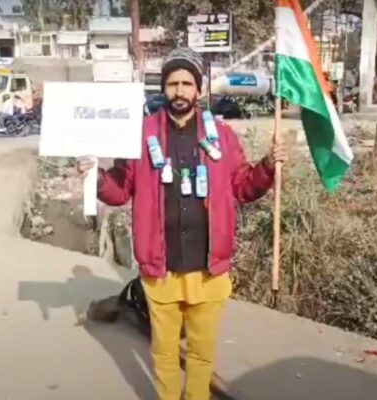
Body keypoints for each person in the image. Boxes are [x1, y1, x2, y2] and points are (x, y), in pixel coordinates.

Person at [76, 47, 287, 400]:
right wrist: (94, 177)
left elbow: (243, 186)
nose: (179, 91)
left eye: (187, 83)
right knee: (164, 353)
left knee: (202, 354)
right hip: (161, 269)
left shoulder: (221, 134)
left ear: (198, 90)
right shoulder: (140, 135)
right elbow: (119, 190)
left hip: (209, 268)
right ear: (164, 89)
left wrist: (267, 165)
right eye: (173, 83)